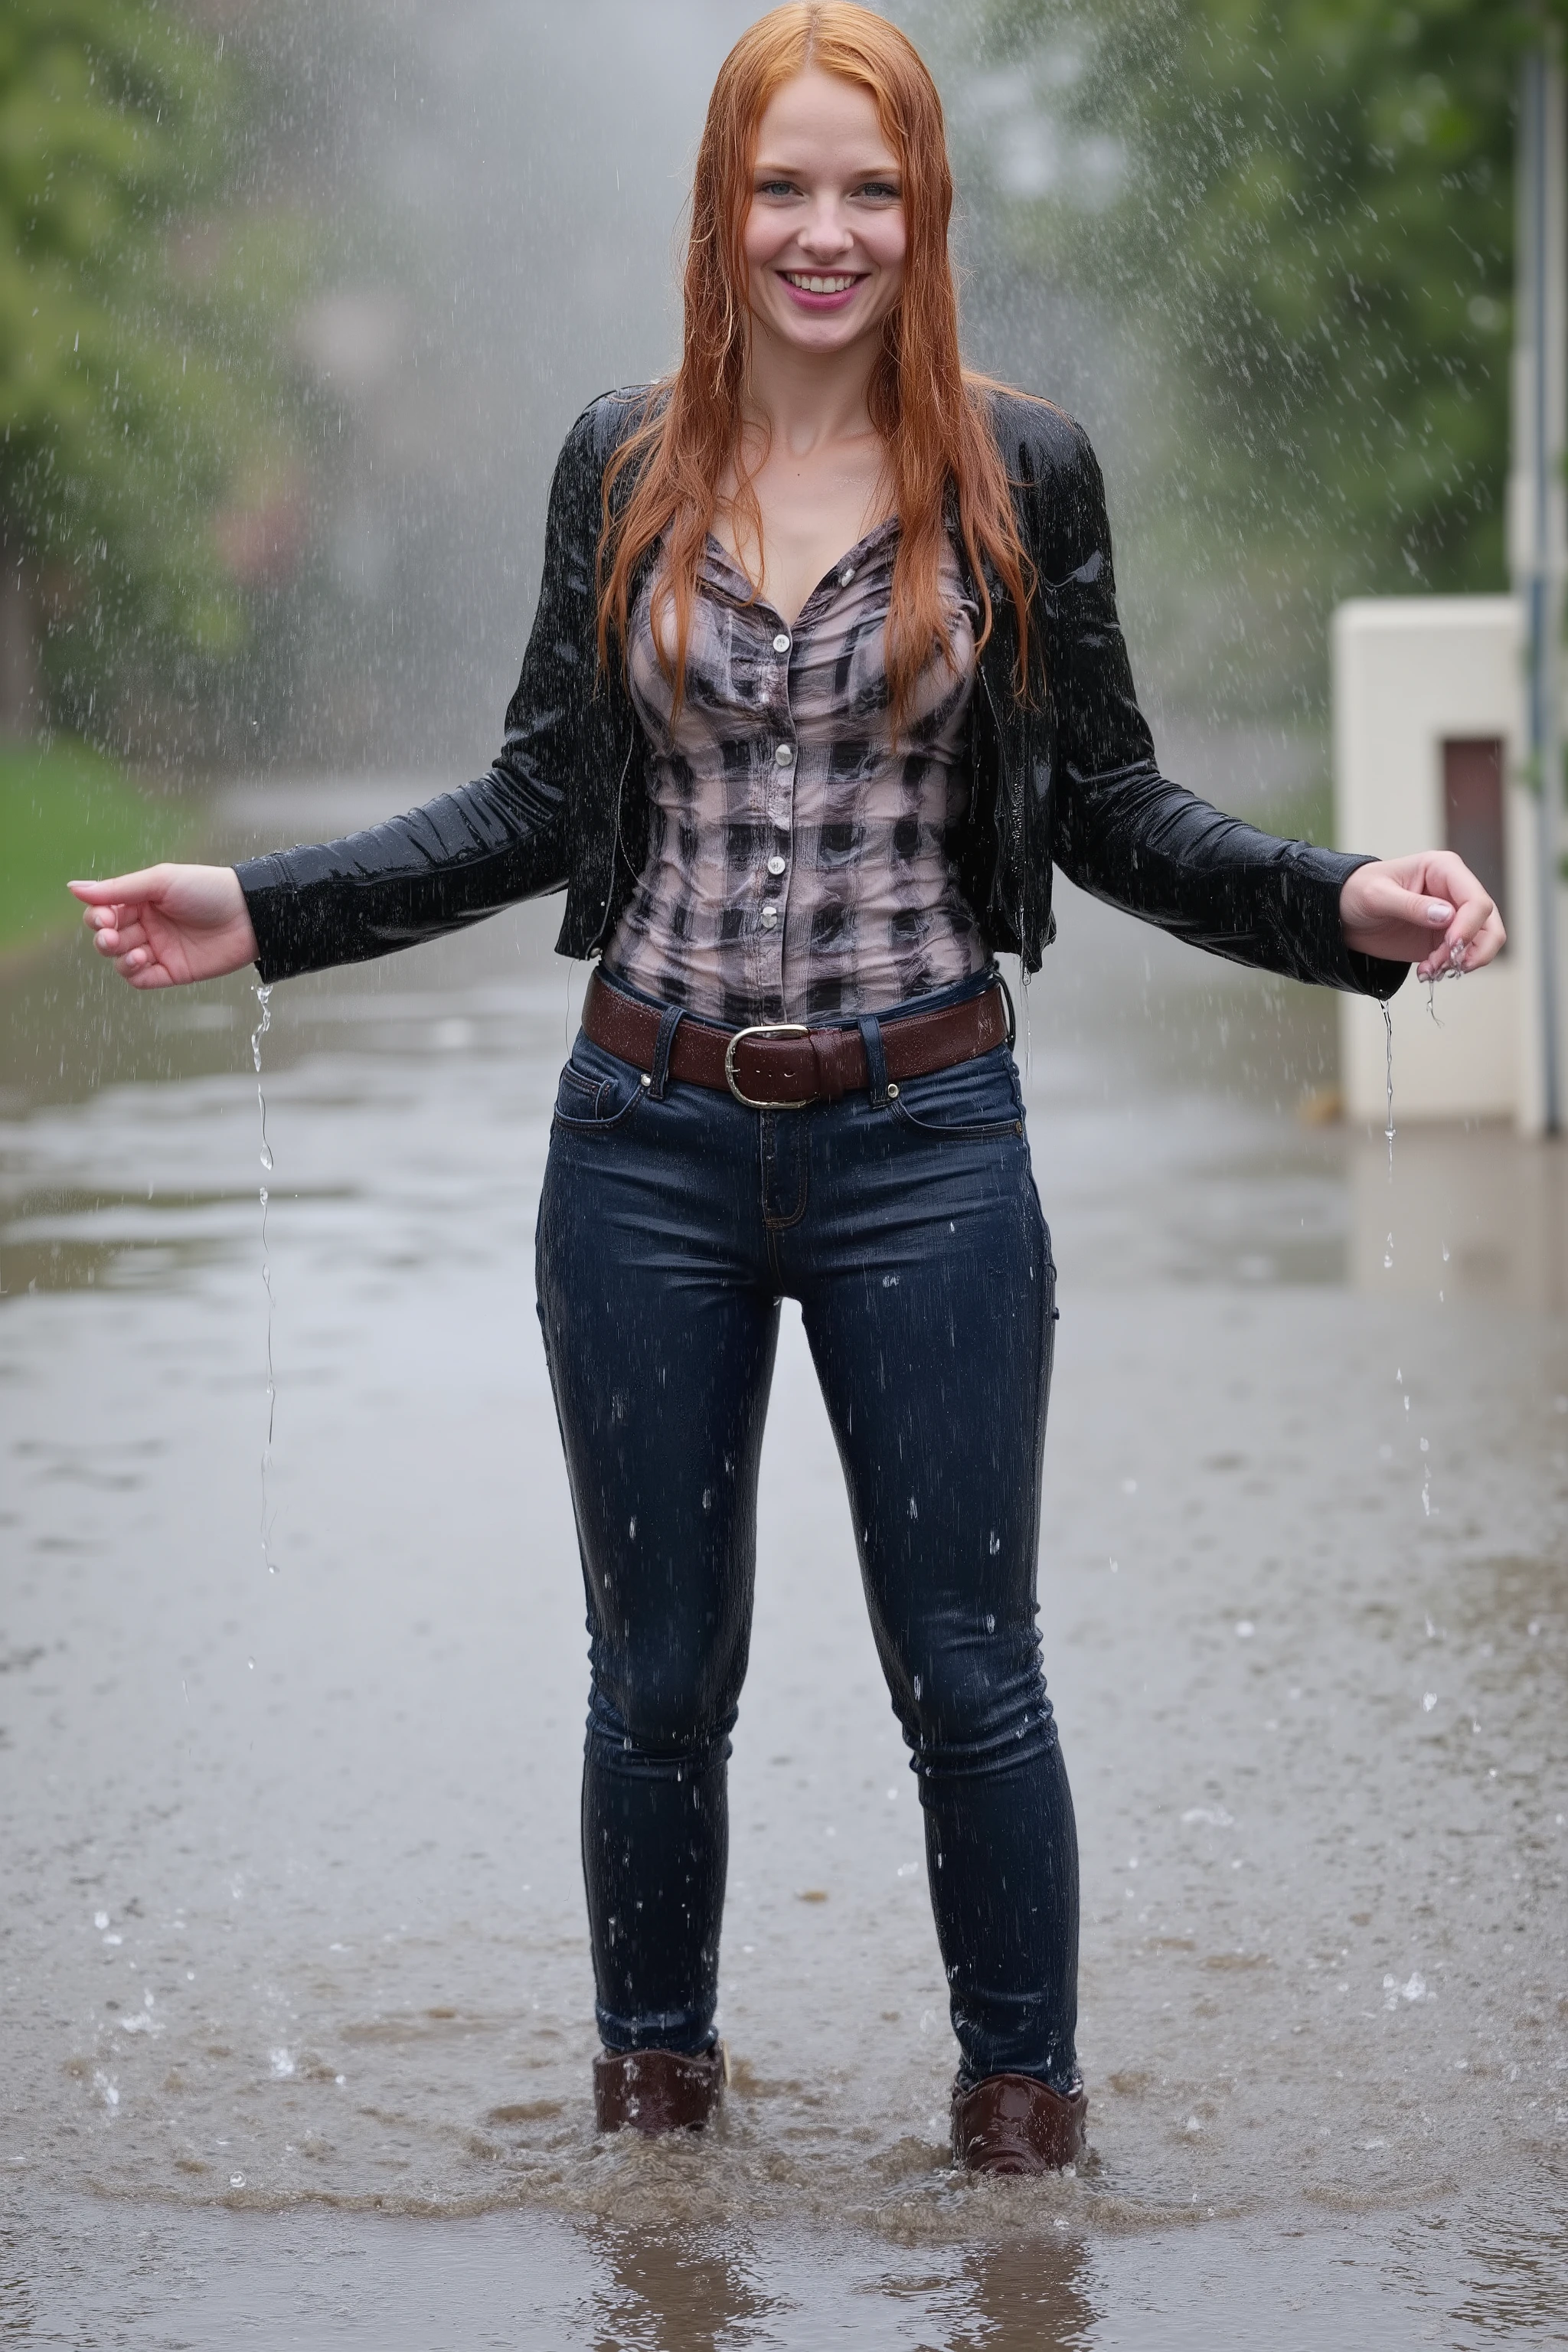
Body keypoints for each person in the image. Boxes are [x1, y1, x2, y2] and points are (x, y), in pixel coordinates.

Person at [68, 2, 1504, 2174]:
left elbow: (1110, 808)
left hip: (927, 1149)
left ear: (924, 217)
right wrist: (261, 907)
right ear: (717, 209)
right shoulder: (618, 465)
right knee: (655, 1679)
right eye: (781, 185)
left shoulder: (1021, 476)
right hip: (639, 1148)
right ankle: (655, 2127)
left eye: (871, 190)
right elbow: (540, 797)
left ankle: (1023, 2149)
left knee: (968, 1673)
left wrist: (1340, 910)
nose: (822, 232)